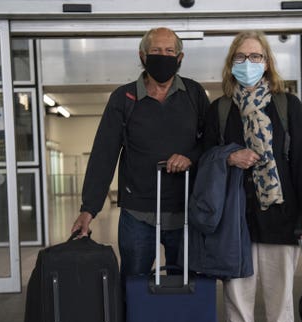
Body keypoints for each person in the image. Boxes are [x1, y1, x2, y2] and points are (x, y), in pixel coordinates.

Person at [202, 31, 302, 322]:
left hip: (281, 214)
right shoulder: (220, 109)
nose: (248, 64)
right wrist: (229, 156)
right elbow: (207, 159)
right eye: (241, 57)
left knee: (279, 293)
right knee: (238, 294)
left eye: (255, 57)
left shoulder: (287, 104)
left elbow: (300, 159)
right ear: (230, 63)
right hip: (236, 217)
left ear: (267, 62)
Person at [71, 27, 210, 278]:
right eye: (156, 50)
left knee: (187, 289)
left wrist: (190, 156)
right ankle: (139, 320)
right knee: (133, 288)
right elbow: (104, 154)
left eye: (170, 51)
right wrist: (88, 209)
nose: (163, 56)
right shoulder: (124, 97)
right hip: (138, 214)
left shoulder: (194, 94)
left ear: (180, 58)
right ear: (143, 56)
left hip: (186, 212)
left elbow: (210, 142)